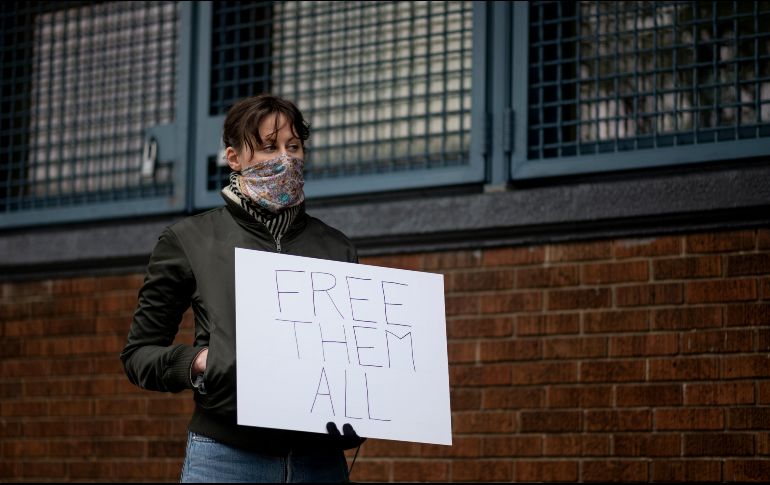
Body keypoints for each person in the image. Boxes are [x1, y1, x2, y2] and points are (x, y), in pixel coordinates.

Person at [120, 94, 365, 483]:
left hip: (319, 462)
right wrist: (200, 362)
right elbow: (138, 355)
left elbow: (353, 357)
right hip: (225, 458)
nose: (285, 158)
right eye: (269, 147)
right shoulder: (191, 239)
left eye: (293, 146)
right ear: (234, 158)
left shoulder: (336, 247)